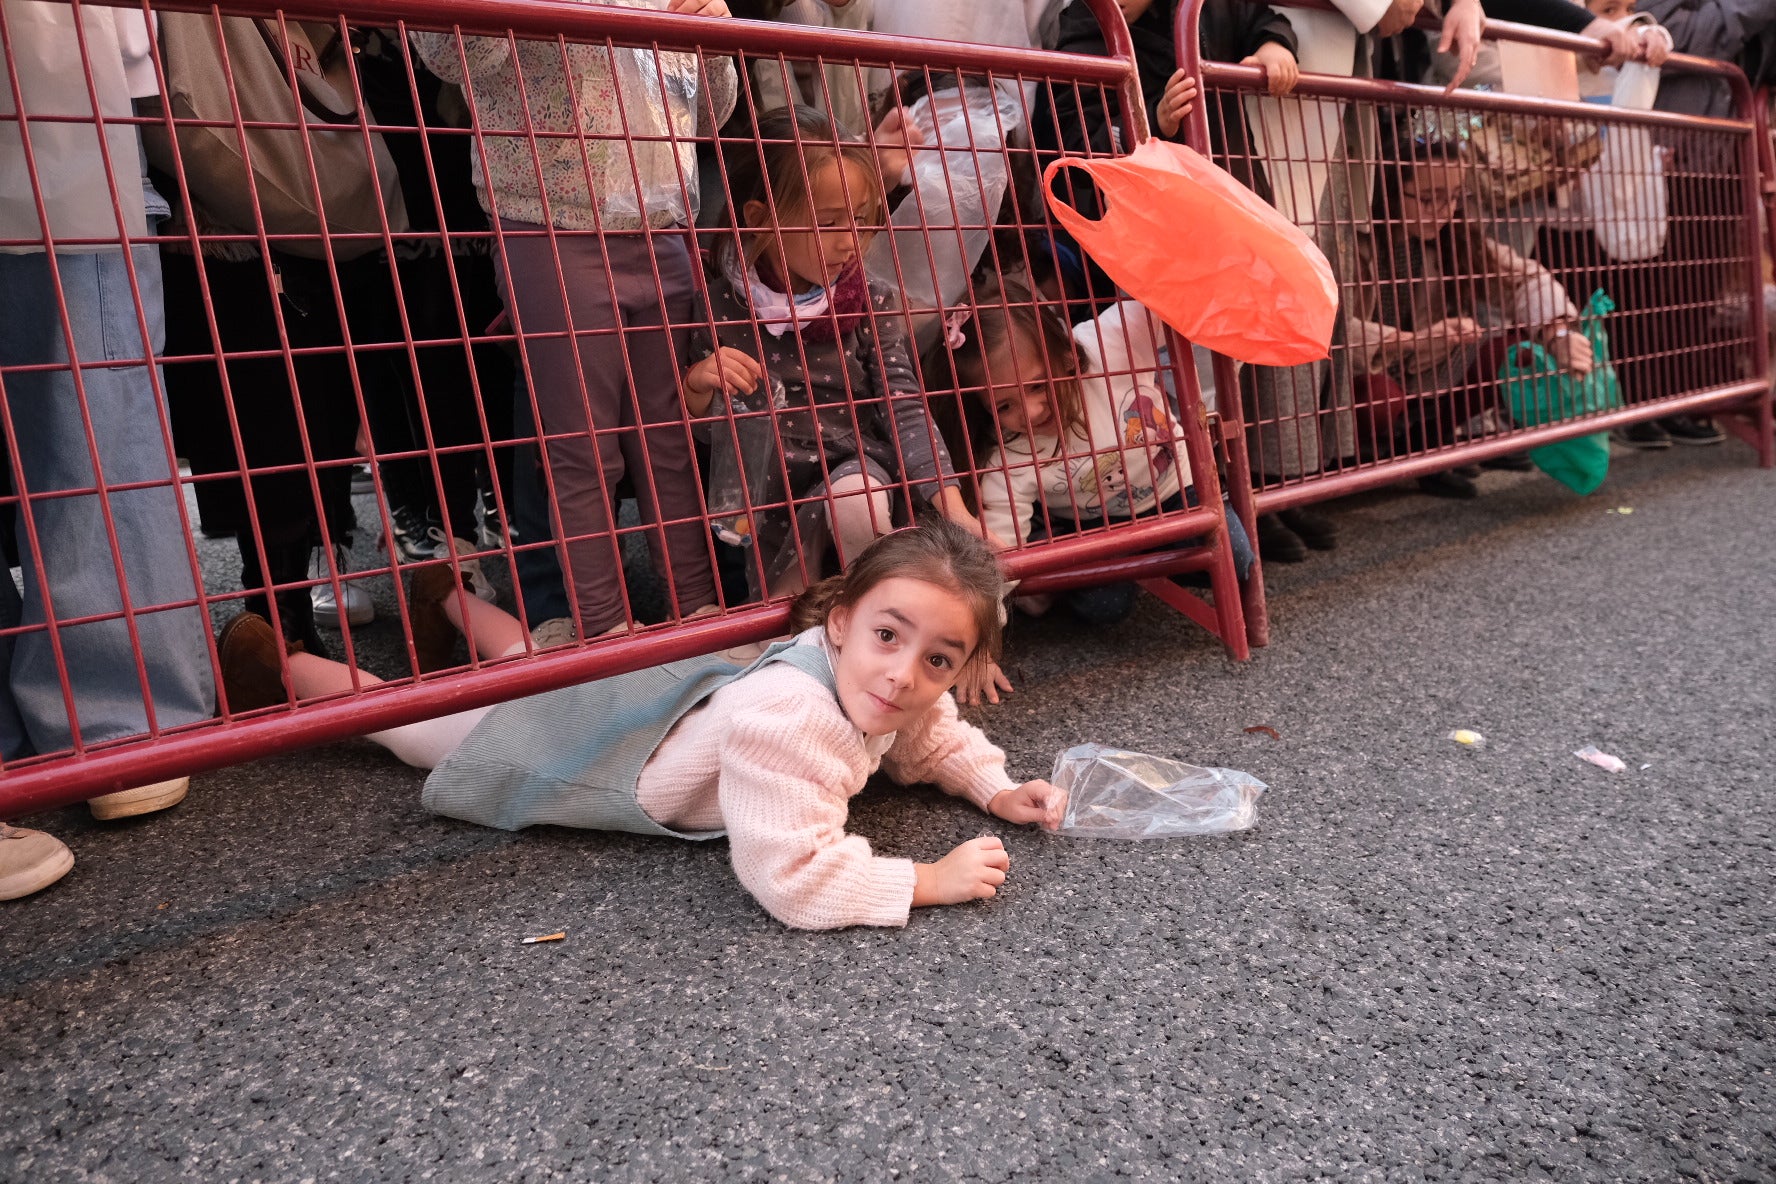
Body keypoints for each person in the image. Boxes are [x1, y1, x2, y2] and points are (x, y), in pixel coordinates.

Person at [216, 519, 1066, 931]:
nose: (904, 674)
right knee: (415, 725)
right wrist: (925, 879)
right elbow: (792, 876)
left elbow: (933, 732)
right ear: (840, 622)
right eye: (890, 637)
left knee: (527, 667)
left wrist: (995, 788)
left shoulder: (884, 680)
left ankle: (447, 599)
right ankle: (280, 669)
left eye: (938, 659)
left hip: (653, 705)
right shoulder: (792, 717)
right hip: (601, 747)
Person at [412, 0, 736, 646]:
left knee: (667, 435)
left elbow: (708, 112)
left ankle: (700, 621)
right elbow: (447, 54)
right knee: (582, 448)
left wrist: (714, 39)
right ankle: (605, 636)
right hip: (547, 211)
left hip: (661, 211)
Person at [1, 0, 217, 901]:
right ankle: (119, 711)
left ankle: (120, 712)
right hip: (65, 88)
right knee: (97, 405)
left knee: (100, 403)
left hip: (66, 100)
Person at [685, 105, 1002, 603]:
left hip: (855, 476)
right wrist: (697, 387)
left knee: (858, 506)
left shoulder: (870, 300)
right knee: (791, 621)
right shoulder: (718, 305)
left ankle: (889, 622)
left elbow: (904, 404)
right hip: (765, 503)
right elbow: (709, 436)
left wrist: (954, 508)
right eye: (828, 222)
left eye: (860, 220)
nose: (848, 240)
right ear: (760, 219)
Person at [926, 276, 1254, 640]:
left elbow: (1173, 300)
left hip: (1178, 490)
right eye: (1003, 404)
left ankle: (1145, 562)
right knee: (1102, 607)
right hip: (1096, 527)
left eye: (1038, 384)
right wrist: (979, 637)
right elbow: (1001, 551)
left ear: (1067, 355)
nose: (1031, 412)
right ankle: (1072, 551)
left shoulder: (1107, 343)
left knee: (1238, 561)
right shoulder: (1007, 454)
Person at [1354, 134, 1596, 498]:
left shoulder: (1456, 237)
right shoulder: (1358, 243)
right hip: (1368, 371)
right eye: (1427, 198)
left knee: (1516, 349)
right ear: (1389, 191)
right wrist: (1412, 340)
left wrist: (1558, 333)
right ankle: (1359, 466)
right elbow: (1338, 326)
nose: (1443, 210)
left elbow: (1525, 278)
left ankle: (1427, 452)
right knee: (1381, 399)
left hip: (1425, 370)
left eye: (1452, 197)